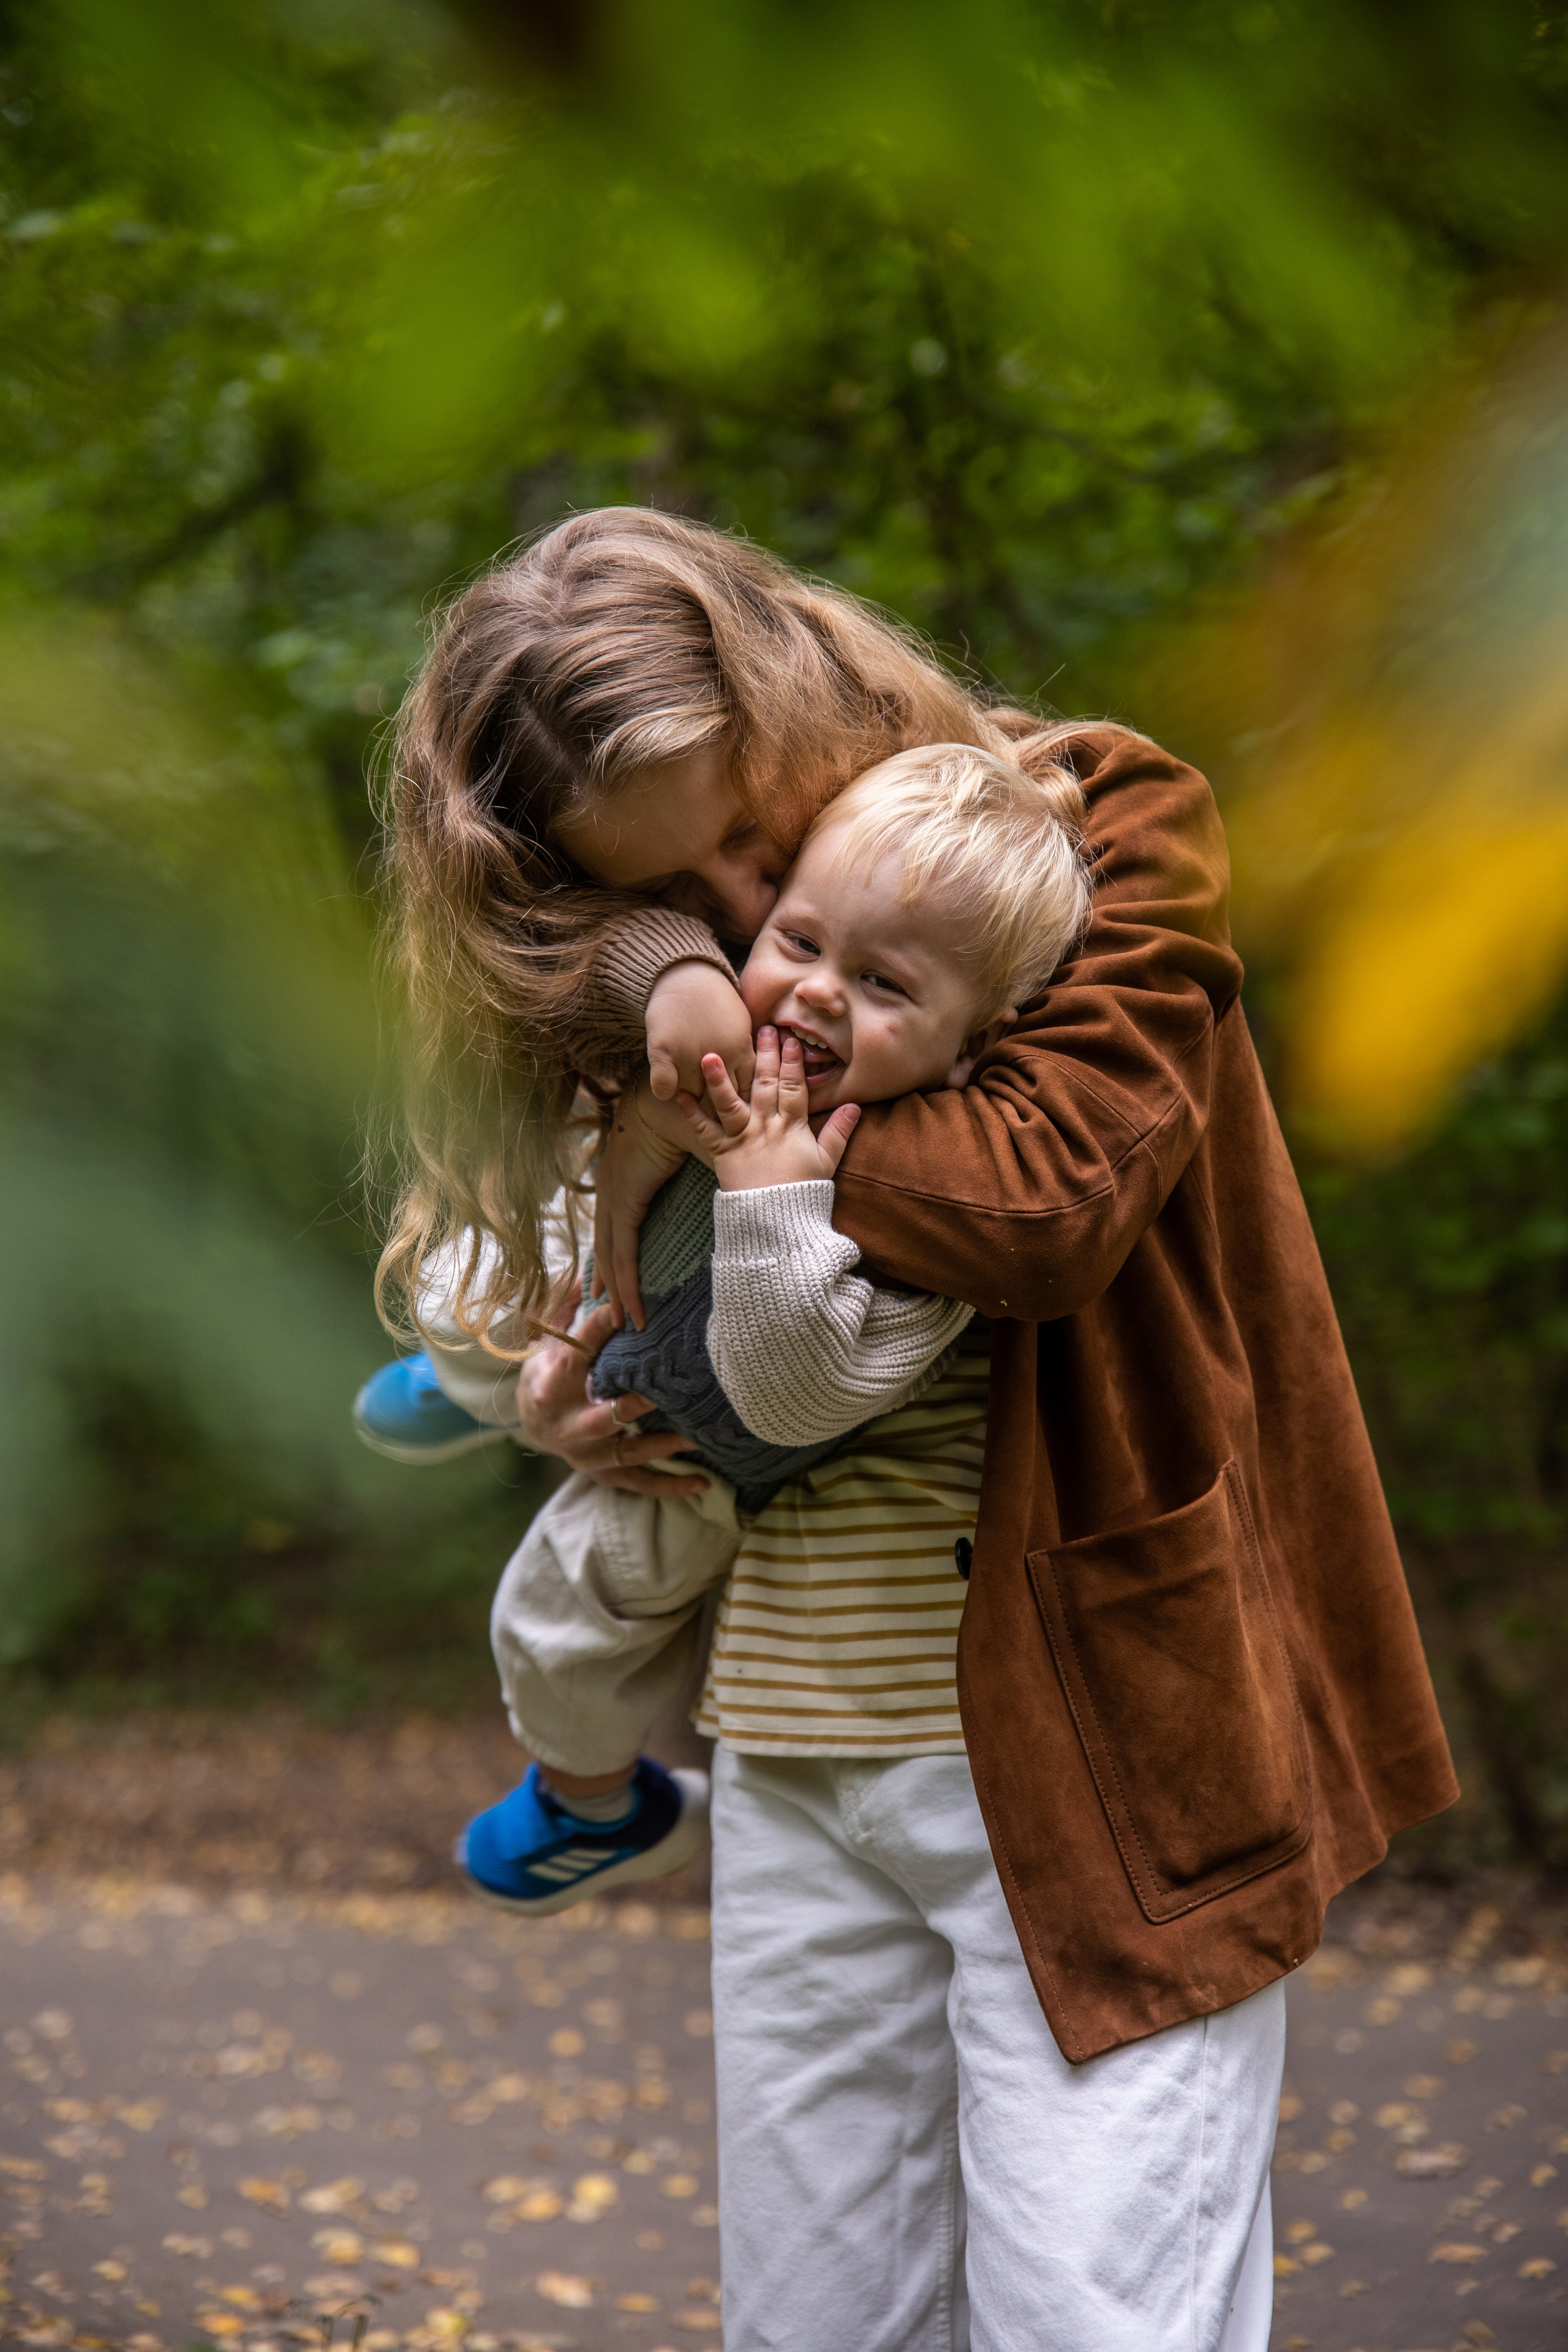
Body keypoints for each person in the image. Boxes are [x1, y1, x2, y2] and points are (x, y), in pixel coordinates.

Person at [374, 506, 1458, 2352]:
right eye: (675, 895)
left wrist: (686, 1121)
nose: (736, 909)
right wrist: (600, 1360)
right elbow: (588, 1236)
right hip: (801, 1736)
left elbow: (1045, 1199)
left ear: (794, 690)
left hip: (1112, 1737)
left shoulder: (1097, 822)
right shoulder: (689, 965)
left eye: (742, 830)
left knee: (1093, 2318)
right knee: (819, 2326)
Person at [448, 743, 1090, 1912]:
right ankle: (463, 1379)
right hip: (606, 1320)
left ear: (976, 1043)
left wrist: (767, 1191)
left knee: (553, 1616)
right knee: (472, 1253)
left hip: (697, 1462)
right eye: (796, 943)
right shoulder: (749, 1035)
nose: (816, 993)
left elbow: (795, 1396)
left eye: (888, 989)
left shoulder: (937, 1202)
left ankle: (594, 1806)